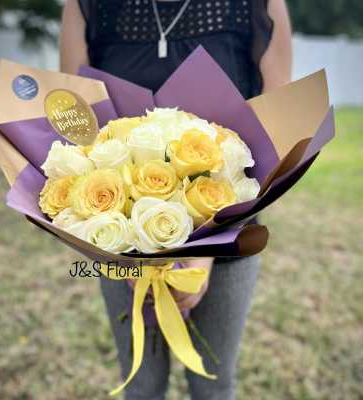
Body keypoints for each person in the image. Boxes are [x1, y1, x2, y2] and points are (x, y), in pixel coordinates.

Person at [60, 1, 292, 399]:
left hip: (229, 230)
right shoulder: (85, 6)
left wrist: (208, 243)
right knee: (141, 386)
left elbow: (277, 129)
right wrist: (129, 247)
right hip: (119, 236)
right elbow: (75, 126)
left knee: (213, 385)